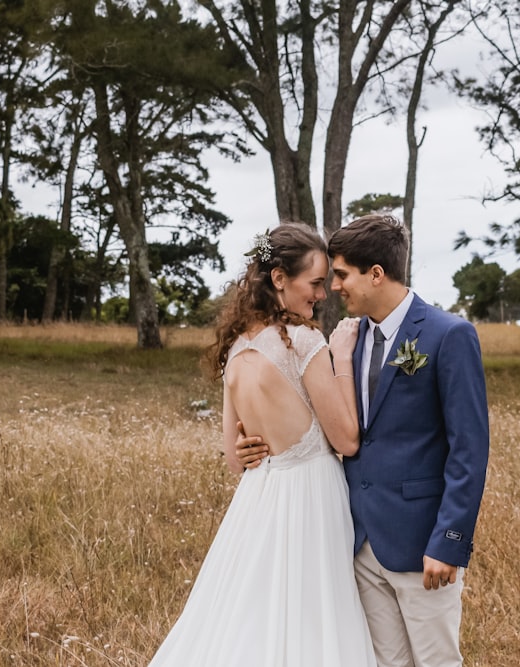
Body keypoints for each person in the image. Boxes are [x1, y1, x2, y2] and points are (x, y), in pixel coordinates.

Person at [238, 215, 489, 667]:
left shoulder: (448, 335)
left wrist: (449, 541)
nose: (333, 287)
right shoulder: (346, 341)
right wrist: (252, 445)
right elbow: (325, 424)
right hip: (357, 543)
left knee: (437, 661)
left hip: (421, 545)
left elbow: (469, 451)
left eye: (341, 274)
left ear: (376, 273)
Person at [148, 222, 376, 667]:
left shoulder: (236, 350)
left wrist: (255, 449)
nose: (322, 293)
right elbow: (347, 440)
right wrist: (343, 357)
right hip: (310, 500)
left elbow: (236, 458)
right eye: (314, 282)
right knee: (312, 617)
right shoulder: (306, 343)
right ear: (279, 279)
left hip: (260, 498)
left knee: (252, 614)